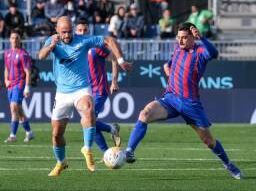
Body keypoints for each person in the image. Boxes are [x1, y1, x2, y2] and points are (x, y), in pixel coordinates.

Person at [124, 22, 243, 180]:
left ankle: (228, 164)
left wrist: (203, 38)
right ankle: (129, 150)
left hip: (190, 103)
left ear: (193, 38)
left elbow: (214, 53)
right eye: (178, 37)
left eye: (184, 38)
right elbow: (169, 64)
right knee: (145, 113)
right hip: (170, 99)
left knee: (208, 141)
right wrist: (168, 69)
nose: (180, 41)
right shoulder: (177, 49)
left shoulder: (200, 52)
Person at [38, 16, 132, 176]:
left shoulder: (84, 40)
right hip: (61, 94)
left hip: (81, 89)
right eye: (63, 32)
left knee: (89, 110)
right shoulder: (52, 40)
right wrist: (51, 46)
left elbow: (109, 40)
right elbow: (41, 56)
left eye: (69, 31)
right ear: (57, 31)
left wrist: (121, 60)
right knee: (56, 135)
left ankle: (87, 150)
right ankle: (61, 162)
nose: (67, 35)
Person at [75, 20, 122, 156]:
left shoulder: (96, 47)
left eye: (85, 30)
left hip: (99, 90)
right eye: (80, 30)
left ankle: (109, 137)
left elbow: (113, 58)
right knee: (89, 123)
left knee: (87, 121)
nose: (83, 33)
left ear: (89, 32)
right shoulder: (76, 49)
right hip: (85, 92)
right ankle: (108, 148)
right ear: (75, 32)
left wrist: (114, 81)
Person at [4, 31, 34, 143]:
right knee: (18, 110)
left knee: (14, 107)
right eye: (12, 37)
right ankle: (29, 132)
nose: (14, 40)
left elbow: (28, 71)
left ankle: (13, 135)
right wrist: (6, 80)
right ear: (9, 39)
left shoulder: (23, 54)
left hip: (19, 83)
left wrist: (27, 87)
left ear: (20, 40)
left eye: (17, 38)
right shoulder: (7, 53)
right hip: (10, 85)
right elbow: (6, 68)